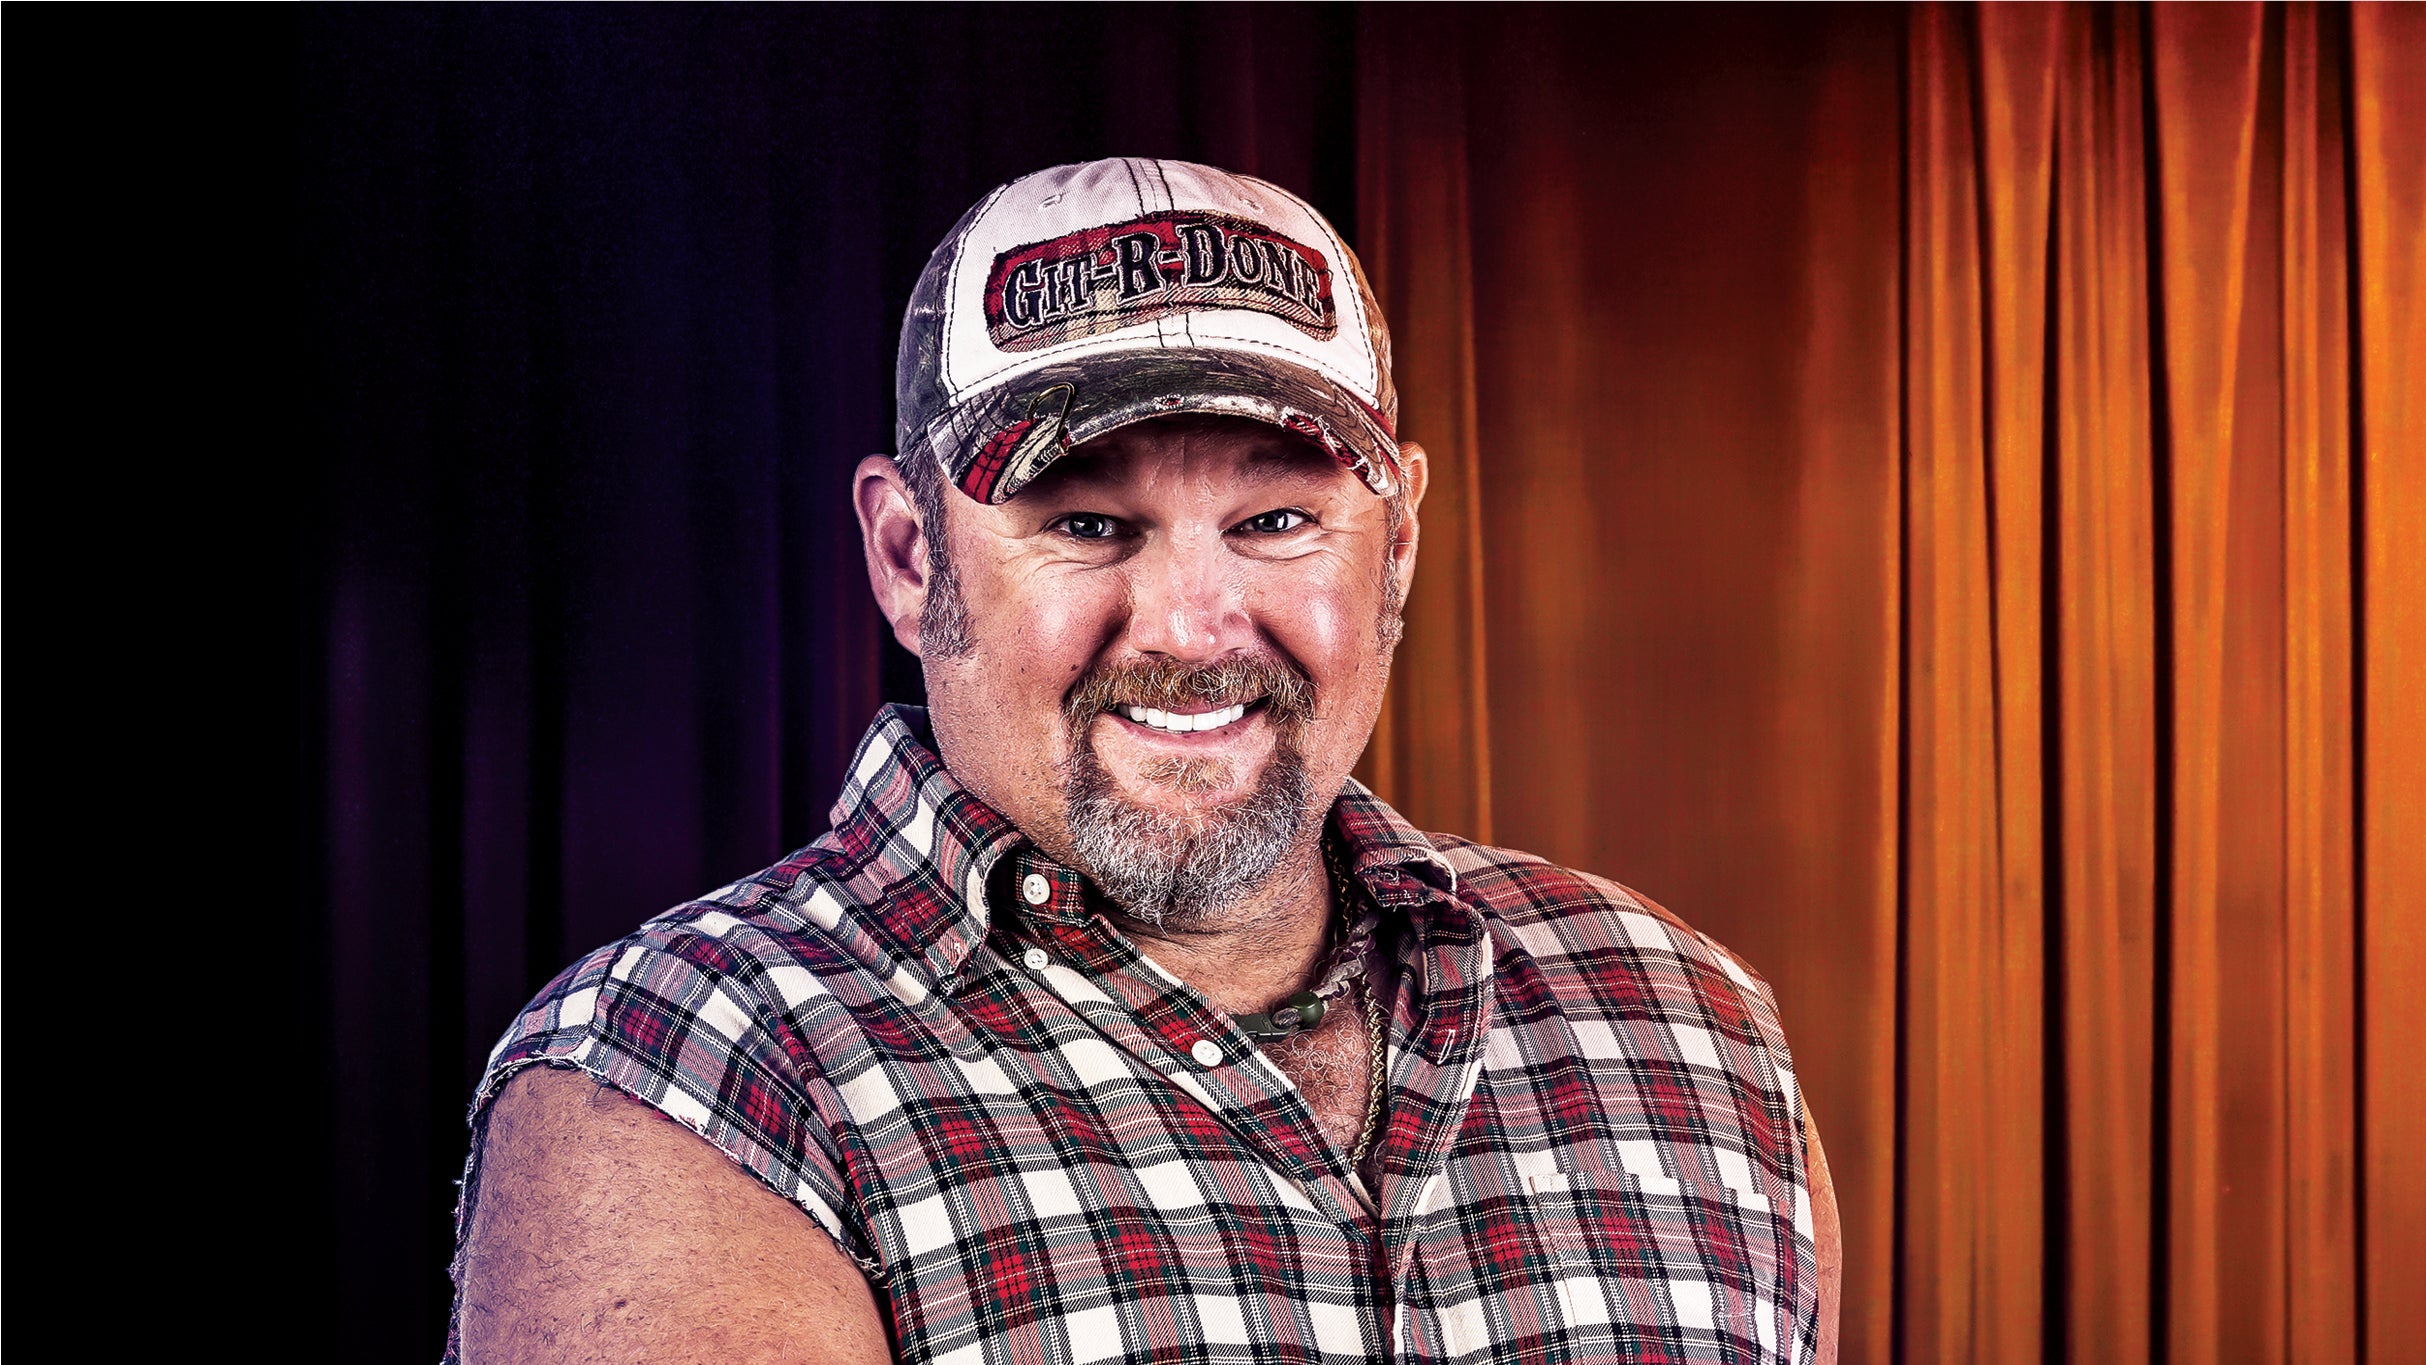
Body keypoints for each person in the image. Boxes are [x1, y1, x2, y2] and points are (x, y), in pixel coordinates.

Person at [450, 157, 1841, 1364]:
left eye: (1278, 520)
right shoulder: (687, 1078)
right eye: (1086, 525)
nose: (1189, 625)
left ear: (1398, 545)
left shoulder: (1688, 1026)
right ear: (909, 556)